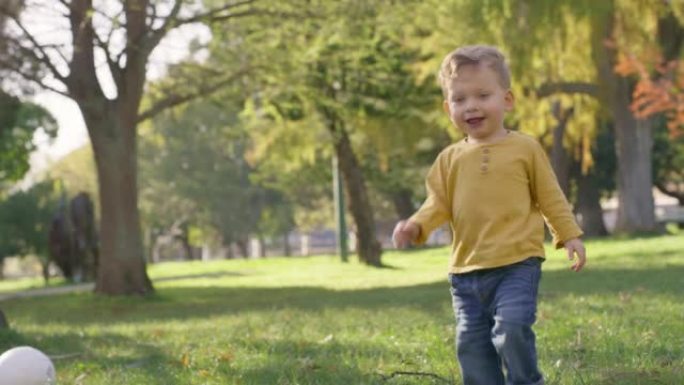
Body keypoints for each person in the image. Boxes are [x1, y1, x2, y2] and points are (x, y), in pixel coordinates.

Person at [392, 45, 587, 385]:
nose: (472, 106)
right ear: (447, 107)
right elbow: (437, 204)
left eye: (483, 95)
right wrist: (415, 226)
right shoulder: (449, 159)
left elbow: (549, 196)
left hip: (517, 264)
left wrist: (568, 234)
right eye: (460, 99)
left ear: (507, 100)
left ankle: (526, 381)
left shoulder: (524, 148)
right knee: (471, 344)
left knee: (512, 329)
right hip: (465, 273)